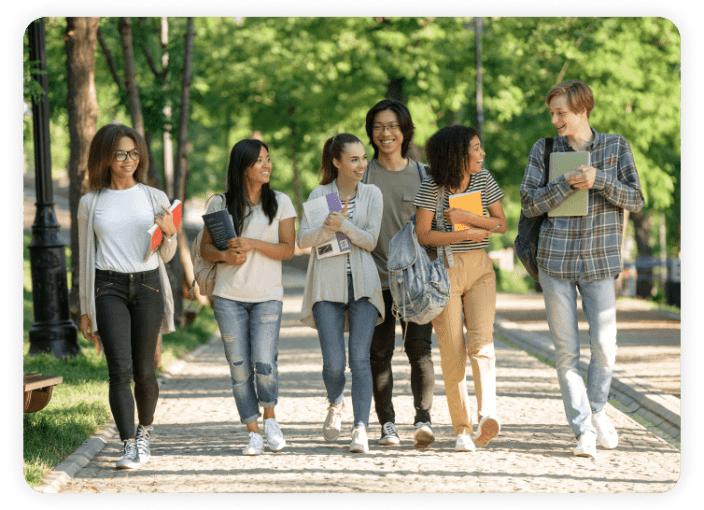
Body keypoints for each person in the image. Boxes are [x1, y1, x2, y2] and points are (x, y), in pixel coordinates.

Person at [519, 80, 644, 457]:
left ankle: (596, 409)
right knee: (566, 352)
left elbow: (636, 200)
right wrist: (565, 185)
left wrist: (599, 180)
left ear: (582, 110)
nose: (555, 119)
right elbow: (527, 204)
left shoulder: (615, 146)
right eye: (552, 112)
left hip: (600, 263)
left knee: (605, 348)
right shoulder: (544, 149)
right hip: (555, 262)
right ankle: (582, 432)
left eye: (562, 112)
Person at [78, 123, 177, 469]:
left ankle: (145, 431)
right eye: (120, 153)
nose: (128, 159)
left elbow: (166, 255)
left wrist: (168, 235)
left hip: (148, 285)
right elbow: (85, 258)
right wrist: (84, 308)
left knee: (144, 370)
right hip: (108, 287)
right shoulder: (90, 203)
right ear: (105, 156)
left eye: (133, 152)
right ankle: (128, 444)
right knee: (118, 370)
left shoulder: (154, 197)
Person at [200, 139, 296, 456]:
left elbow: (287, 249)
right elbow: (205, 250)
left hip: (267, 296)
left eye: (268, 159)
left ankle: (270, 419)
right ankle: (252, 431)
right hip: (229, 298)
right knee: (239, 367)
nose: (266, 165)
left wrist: (253, 243)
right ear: (242, 167)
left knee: (264, 362)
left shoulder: (280, 202)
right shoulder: (219, 204)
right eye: (259, 161)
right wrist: (225, 256)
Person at [415, 124, 507, 452]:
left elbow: (501, 223)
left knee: (482, 344)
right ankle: (462, 429)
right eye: (476, 148)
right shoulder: (432, 188)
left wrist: (469, 217)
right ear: (458, 154)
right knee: (454, 353)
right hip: (445, 272)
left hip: (480, 269)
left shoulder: (484, 180)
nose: (482, 154)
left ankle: (487, 415)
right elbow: (423, 235)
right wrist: (461, 234)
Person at [298, 133, 385, 453]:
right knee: (334, 363)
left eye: (364, 158)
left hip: (363, 285)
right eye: (354, 159)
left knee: (359, 359)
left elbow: (371, 240)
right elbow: (304, 240)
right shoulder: (321, 194)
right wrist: (327, 229)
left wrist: (345, 227)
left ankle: (360, 427)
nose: (362, 164)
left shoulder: (372, 194)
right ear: (336, 162)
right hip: (326, 286)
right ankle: (335, 403)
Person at [362, 99, 437, 448]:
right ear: (371, 133)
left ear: (405, 130)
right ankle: (386, 423)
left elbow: (438, 224)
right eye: (378, 127)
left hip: (415, 284)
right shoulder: (361, 174)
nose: (386, 133)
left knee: (419, 350)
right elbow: (334, 202)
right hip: (374, 281)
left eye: (392, 126)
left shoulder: (425, 175)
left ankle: (423, 419)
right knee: (379, 354)